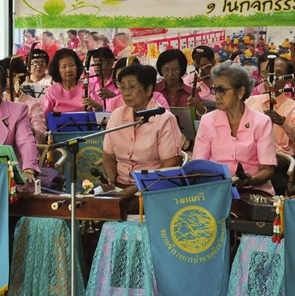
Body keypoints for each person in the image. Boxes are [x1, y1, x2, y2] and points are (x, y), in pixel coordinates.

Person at [192, 61, 276, 195]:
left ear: (240, 92)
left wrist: (249, 181)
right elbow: (198, 165)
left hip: (253, 190)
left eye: (222, 90)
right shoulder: (207, 121)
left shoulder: (261, 122)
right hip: (217, 191)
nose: (217, 96)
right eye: (215, 89)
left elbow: (267, 170)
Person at [102, 64, 184, 197]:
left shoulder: (164, 119)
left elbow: (169, 166)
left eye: (132, 87)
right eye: (123, 87)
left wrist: (138, 188)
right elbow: (109, 156)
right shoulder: (116, 115)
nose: (126, 93)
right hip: (120, 186)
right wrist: (110, 179)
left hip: (151, 189)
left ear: (148, 90)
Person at [246, 55, 295, 157]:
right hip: (250, 157)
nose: (272, 78)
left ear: (288, 79)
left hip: (282, 159)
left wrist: (283, 123)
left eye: (279, 73)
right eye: (267, 73)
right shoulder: (249, 103)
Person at [1, 55, 47, 144]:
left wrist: (26, 127)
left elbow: (41, 135)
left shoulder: (33, 104)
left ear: (18, 77)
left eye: (7, 76)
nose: (3, 80)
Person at [41, 48, 102, 112]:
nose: (68, 70)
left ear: (77, 66)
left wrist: (95, 105)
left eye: (72, 65)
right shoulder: (51, 91)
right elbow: (43, 114)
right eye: (64, 67)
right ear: (57, 70)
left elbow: (100, 112)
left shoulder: (89, 88)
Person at [154, 49, 206, 118]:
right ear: (160, 70)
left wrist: (200, 108)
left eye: (175, 70)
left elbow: (202, 120)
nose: (170, 74)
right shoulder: (154, 91)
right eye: (166, 70)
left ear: (182, 70)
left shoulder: (191, 93)